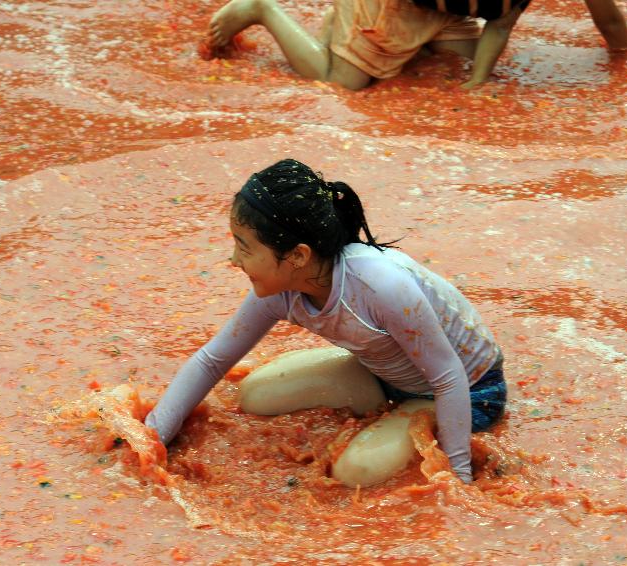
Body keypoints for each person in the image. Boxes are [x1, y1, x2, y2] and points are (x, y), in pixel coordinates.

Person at [144, 159, 506, 485]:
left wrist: (458, 478)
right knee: (254, 396)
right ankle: (390, 411)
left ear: (298, 255)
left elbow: (448, 375)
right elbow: (213, 360)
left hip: (469, 390)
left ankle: (410, 423)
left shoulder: (379, 286)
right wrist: (152, 438)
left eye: (245, 247)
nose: (234, 259)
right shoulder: (278, 292)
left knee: (356, 471)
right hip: (383, 375)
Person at [203, 0, 627, 89]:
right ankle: (263, 10)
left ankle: (347, 32)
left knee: (461, 64)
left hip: (440, 7)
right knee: (347, 82)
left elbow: (500, 27)